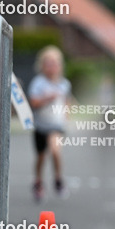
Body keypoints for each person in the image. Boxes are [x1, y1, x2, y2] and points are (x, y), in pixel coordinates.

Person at [27, 45, 72, 201]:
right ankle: (38, 181)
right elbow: (33, 102)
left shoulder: (64, 84)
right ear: (42, 66)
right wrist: (47, 98)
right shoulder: (38, 83)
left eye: (55, 63)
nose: (52, 67)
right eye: (48, 64)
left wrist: (67, 115)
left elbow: (67, 101)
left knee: (55, 151)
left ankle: (58, 179)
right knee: (41, 156)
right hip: (41, 125)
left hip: (56, 126)